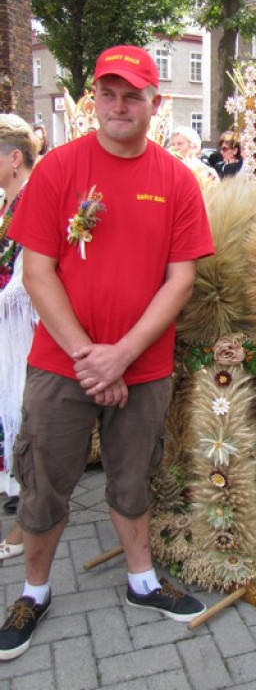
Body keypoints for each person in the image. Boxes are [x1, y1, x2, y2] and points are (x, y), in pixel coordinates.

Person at [0, 45, 215, 662]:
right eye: (109, 93)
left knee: (133, 476)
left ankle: (141, 582)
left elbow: (181, 279)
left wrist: (120, 356)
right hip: (60, 366)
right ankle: (33, 593)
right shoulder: (59, 170)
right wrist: (89, 356)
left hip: (142, 368)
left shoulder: (176, 180)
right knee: (45, 484)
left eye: (133, 94)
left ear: (155, 102)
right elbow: (38, 272)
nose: (120, 105)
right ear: (93, 98)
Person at [0, 115, 39, 560]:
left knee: (30, 427)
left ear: (15, 159)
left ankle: (28, 522)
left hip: (26, 333)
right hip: (9, 335)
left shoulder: (31, 200)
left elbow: (28, 276)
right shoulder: (7, 202)